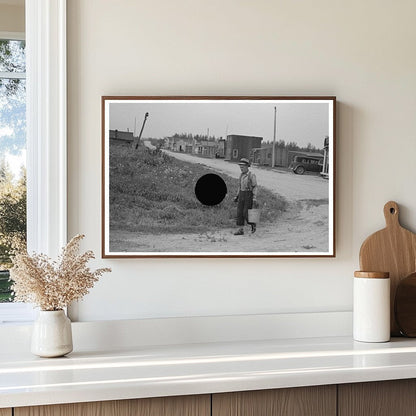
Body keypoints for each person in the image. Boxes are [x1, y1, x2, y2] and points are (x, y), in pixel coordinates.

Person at [233, 158, 258, 235]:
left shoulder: (251, 175)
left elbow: (255, 187)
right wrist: (237, 196)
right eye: (240, 167)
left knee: (246, 213)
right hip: (241, 194)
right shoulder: (241, 175)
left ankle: (253, 224)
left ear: (247, 166)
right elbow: (239, 186)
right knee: (239, 212)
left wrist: (254, 197)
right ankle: (240, 230)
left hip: (248, 195)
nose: (241, 169)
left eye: (243, 167)